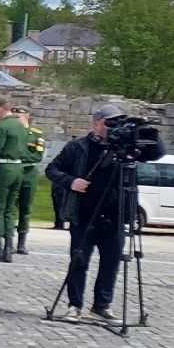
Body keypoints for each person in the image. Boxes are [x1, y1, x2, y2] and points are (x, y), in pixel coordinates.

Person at [45, 103, 130, 323]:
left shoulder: (125, 149)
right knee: (79, 260)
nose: (113, 128)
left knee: (111, 262)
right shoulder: (78, 146)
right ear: (96, 123)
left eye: (118, 123)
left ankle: (102, 305)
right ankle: (75, 305)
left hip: (114, 215)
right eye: (109, 122)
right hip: (84, 213)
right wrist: (71, 182)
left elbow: (155, 153)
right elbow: (52, 169)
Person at [0, 97, 31, 263]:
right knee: (10, 209)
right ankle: (9, 247)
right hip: (18, 168)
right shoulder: (21, 126)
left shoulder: (3, 126)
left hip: (3, 168)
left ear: (1, 108)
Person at [13, 107, 45, 254]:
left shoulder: (36, 135)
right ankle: (8, 241)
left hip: (29, 173)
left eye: (19, 115)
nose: (16, 117)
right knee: (10, 208)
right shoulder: (12, 133)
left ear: (27, 116)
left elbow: (38, 156)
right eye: (14, 115)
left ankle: (22, 242)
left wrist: (19, 157)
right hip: (14, 172)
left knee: (26, 209)